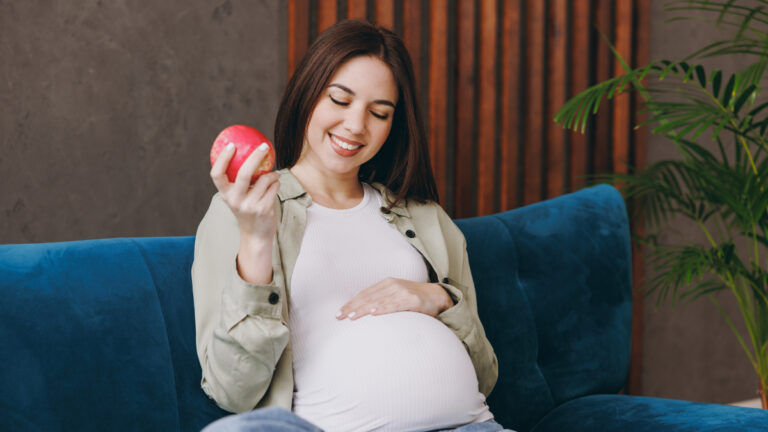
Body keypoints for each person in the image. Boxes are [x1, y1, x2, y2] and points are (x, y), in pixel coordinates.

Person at [192, 19, 515, 432]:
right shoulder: (241, 210)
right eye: (339, 100)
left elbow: (485, 376)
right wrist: (256, 240)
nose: (356, 126)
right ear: (308, 94)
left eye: (379, 113)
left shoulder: (426, 217)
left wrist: (438, 298)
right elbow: (232, 389)